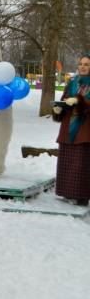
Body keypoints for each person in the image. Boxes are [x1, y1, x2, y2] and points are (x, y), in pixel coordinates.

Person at [53, 54, 90, 206]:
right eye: (81, 64)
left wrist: (79, 101)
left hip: (85, 129)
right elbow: (65, 99)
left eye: (86, 64)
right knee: (67, 161)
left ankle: (82, 196)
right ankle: (67, 193)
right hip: (68, 128)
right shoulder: (72, 82)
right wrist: (58, 109)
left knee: (82, 163)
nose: (82, 67)